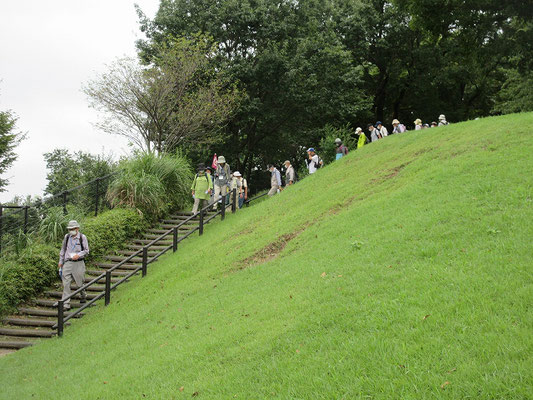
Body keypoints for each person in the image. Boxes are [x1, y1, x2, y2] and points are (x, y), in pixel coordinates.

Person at [55, 220, 89, 310]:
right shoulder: (67, 237)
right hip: (68, 262)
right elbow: (63, 250)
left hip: (78, 262)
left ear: (77, 228)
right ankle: (66, 304)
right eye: (69, 229)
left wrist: (78, 255)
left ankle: (83, 295)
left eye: (73, 229)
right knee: (66, 283)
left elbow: (86, 250)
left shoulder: (82, 237)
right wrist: (60, 261)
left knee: (79, 283)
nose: (71, 230)